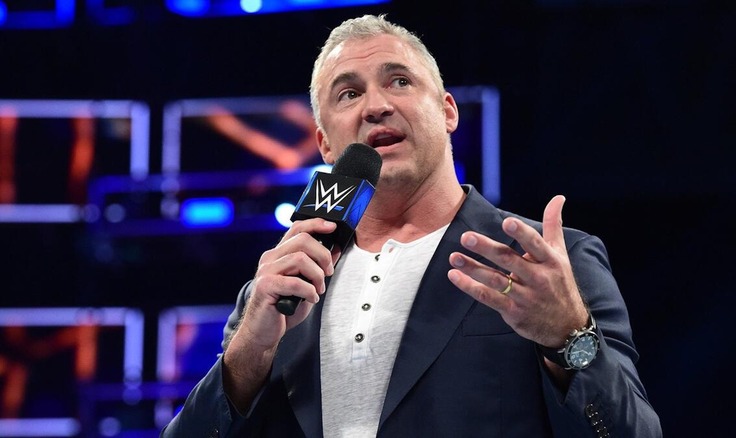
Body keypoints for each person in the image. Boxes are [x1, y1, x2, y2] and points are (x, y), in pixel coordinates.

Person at [161, 13, 662, 437]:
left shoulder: (547, 263)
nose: (376, 105)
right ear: (325, 145)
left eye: (399, 81)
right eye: (348, 93)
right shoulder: (280, 286)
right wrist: (247, 354)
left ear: (447, 112)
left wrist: (568, 338)